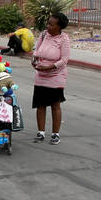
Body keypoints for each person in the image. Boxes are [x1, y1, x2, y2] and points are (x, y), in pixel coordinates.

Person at [31, 12, 71, 145]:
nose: (48, 26)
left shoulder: (64, 39)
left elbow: (64, 60)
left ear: (59, 27)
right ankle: (40, 132)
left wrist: (50, 67)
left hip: (55, 75)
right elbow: (36, 51)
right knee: (40, 104)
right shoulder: (43, 35)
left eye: (51, 24)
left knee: (55, 105)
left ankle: (55, 134)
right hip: (41, 74)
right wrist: (34, 60)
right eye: (48, 23)